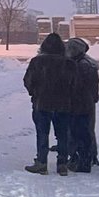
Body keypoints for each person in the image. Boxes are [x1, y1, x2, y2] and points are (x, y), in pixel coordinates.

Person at [23, 32, 74, 175]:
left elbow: (28, 81)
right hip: (63, 104)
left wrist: (35, 93)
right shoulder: (69, 63)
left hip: (42, 102)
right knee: (62, 134)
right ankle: (62, 163)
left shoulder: (37, 62)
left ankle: (41, 162)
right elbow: (75, 84)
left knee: (42, 133)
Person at [65, 37, 99, 173]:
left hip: (79, 104)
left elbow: (76, 86)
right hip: (86, 103)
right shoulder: (87, 63)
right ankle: (88, 157)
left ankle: (82, 161)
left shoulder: (81, 65)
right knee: (86, 131)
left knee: (78, 132)